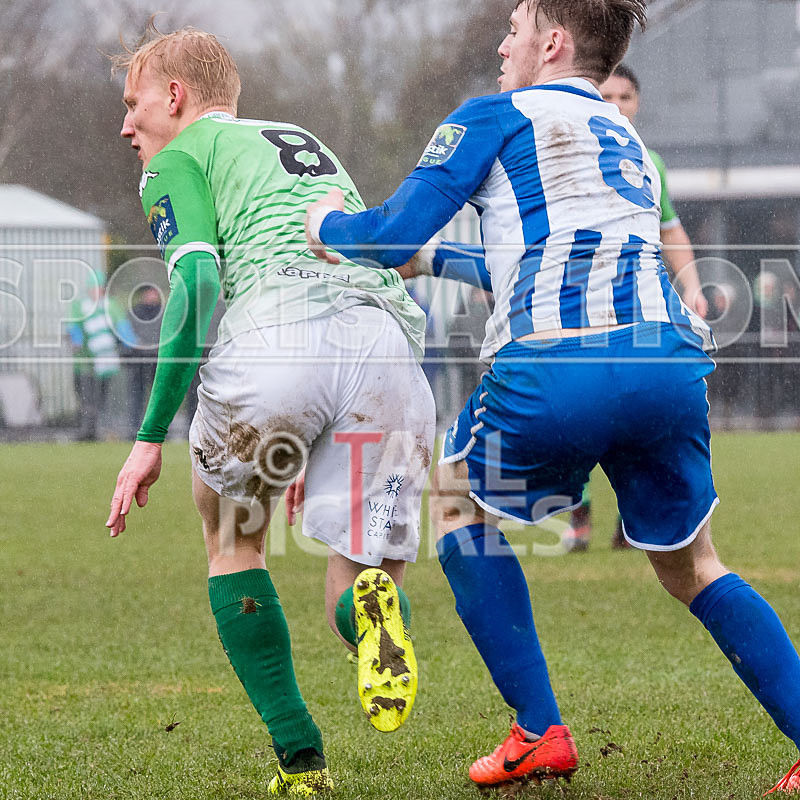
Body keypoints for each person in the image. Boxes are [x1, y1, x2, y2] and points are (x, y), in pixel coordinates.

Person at [304, 0, 800, 792]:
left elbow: (390, 232)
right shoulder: (625, 138)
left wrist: (328, 226)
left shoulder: (494, 117)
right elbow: (538, 257)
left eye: (515, 29)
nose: (504, 46)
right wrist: (437, 263)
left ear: (554, 41)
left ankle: (538, 730)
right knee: (693, 565)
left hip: (558, 366)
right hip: (666, 369)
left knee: (458, 501)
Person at [105, 24, 435, 795]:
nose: (127, 126)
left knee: (231, 536)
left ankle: (301, 761)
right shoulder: (298, 137)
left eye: (134, 103)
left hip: (275, 338)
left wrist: (150, 435)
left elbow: (196, 285)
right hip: (383, 344)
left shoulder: (176, 160)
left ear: (176, 97)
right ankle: (372, 616)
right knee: (353, 583)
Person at [566, 62, 710, 551]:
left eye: (624, 98)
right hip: (575, 309)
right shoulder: (563, 152)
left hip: (639, 310)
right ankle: (578, 516)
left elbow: (670, 230)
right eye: (605, 96)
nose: (615, 106)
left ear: (637, 103)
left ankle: (637, 518)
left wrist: (691, 287)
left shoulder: (650, 162)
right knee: (577, 413)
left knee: (639, 414)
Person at [69, 269, 134, 441]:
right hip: (84, 363)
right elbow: (74, 326)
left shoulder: (111, 305)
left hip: (106, 364)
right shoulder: (80, 306)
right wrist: (76, 340)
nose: (98, 291)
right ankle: (88, 431)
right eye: (95, 288)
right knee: (86, 398)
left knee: (101, 398)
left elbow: (123, 327)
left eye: (101, 288)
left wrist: (131, 343)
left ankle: (99, 430)